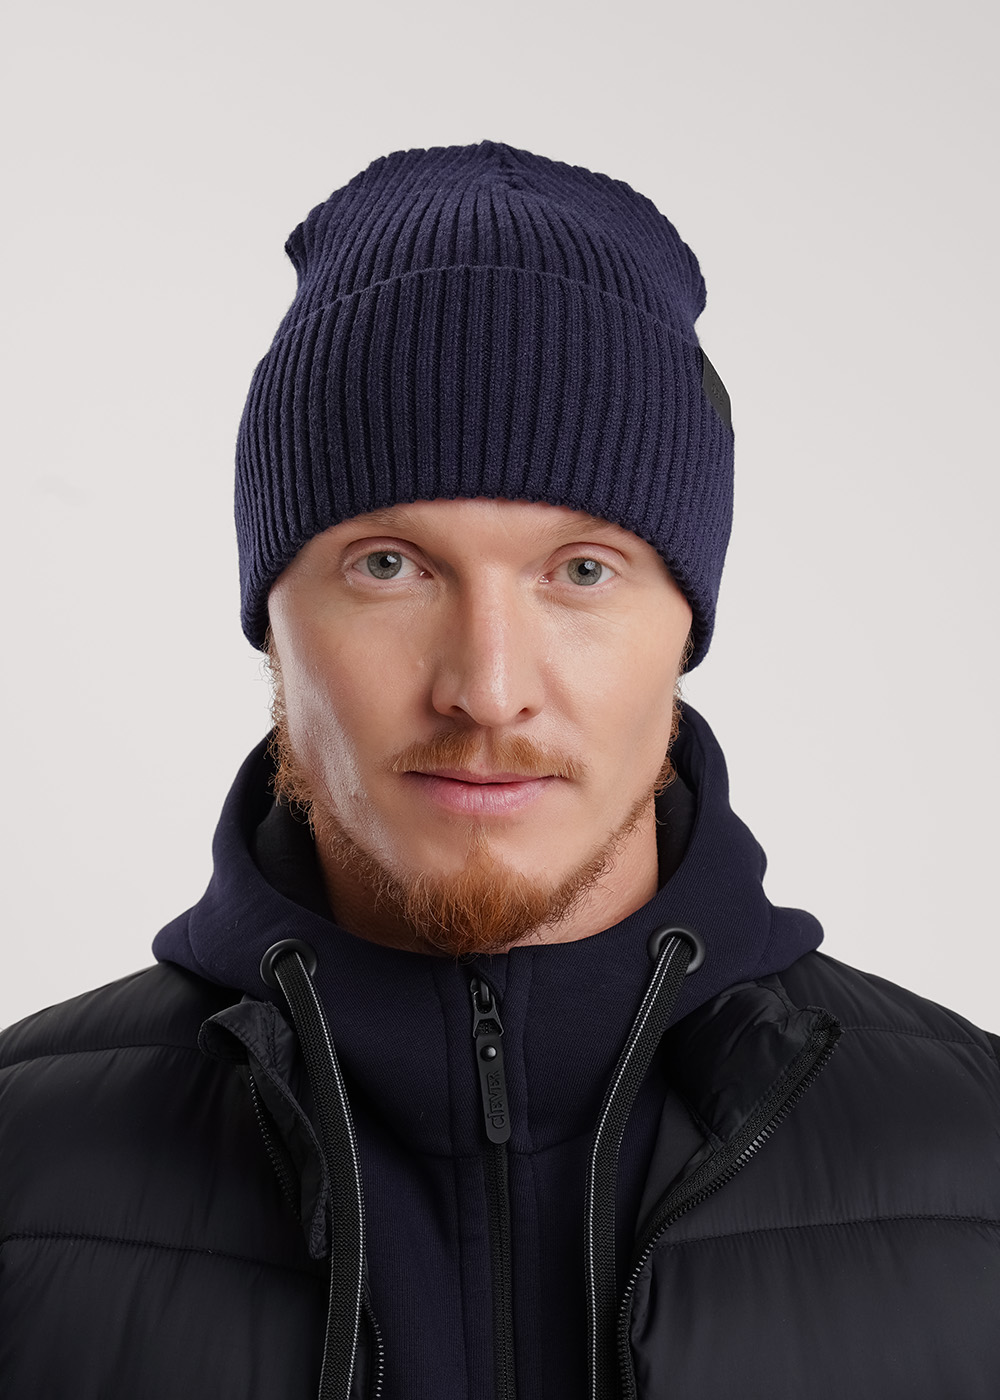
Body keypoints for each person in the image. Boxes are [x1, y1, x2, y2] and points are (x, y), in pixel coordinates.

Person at [1, 140, 998, 1400]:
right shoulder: (22, 1170)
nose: (485, 686)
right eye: (389, 565)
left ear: (685, 623)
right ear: (271, 618)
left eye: (580, 570)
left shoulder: (976, 1164)